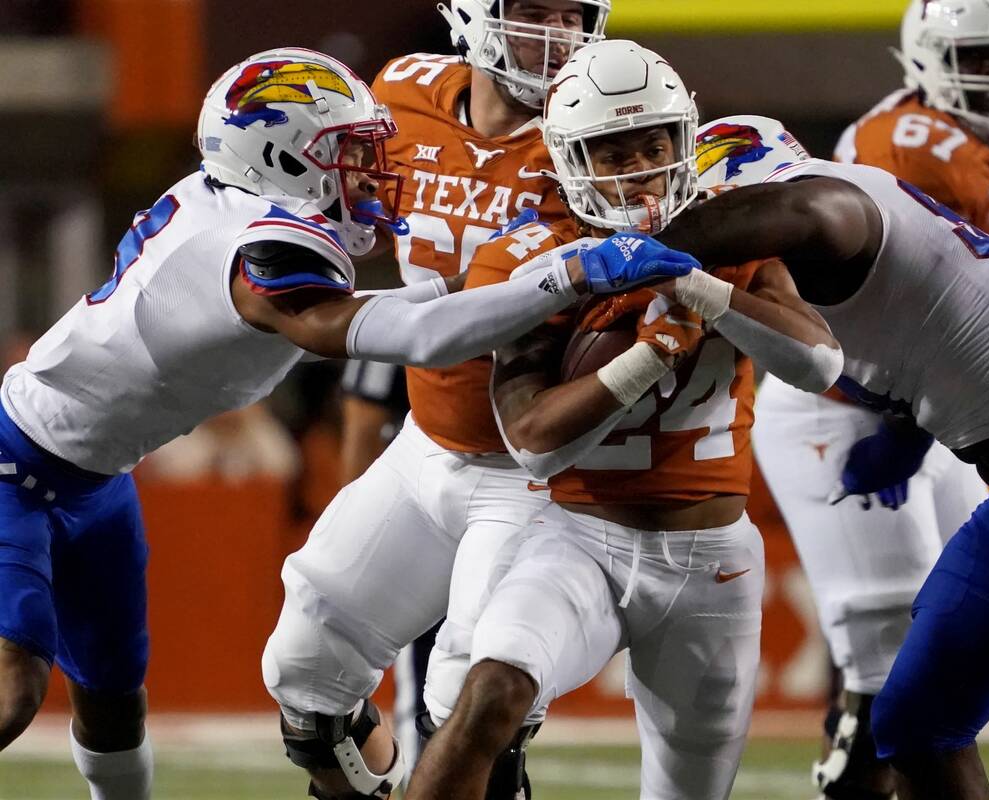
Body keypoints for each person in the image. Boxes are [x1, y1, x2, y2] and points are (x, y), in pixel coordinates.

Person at [0, 46, 689, 800]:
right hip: (17, 463)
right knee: (17, 694)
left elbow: (415, 309)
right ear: (281, 156)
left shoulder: (235, 211)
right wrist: (570, 274)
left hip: (98, 479)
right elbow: (414, 337)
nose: (372, 168)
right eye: (349, 152)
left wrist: (498, 280)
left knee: (110, 695)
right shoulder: (260, 248)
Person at [614, 103, 989, 798]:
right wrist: (904, 432)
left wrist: (649, 237)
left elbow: (805, 213)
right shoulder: (833, 238)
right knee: (915, 725)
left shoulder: (830, 202)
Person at [404, 40, 843, 800]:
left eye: (653, 144)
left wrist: (703, 291)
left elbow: (818, 361)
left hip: (712, 560)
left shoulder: (727, 235)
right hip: (580, 536)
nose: (639, 167)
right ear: (571, 159)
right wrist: (647, 356)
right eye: (612, 152)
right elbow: (533, 442)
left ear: (685, 140)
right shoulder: (532, 258)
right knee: (490, 694)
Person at [746, 1, 989, 795]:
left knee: (954, 635)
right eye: (981, 58)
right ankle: (855, 776)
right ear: (926, 56)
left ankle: (860, 754)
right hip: (848, 402)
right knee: (894, 653)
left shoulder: (979, 135)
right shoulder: (912, 148)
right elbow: (906, 310)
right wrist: (912, 426)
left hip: (922, 405)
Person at [331, 1, 611, 782]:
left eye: (573, 13)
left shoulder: (603, 125)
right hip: (427, 434)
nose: (557, 34)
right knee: (307, 657)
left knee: (470, 702)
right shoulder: (401, 92)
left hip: (531, 451)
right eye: (532, 11)